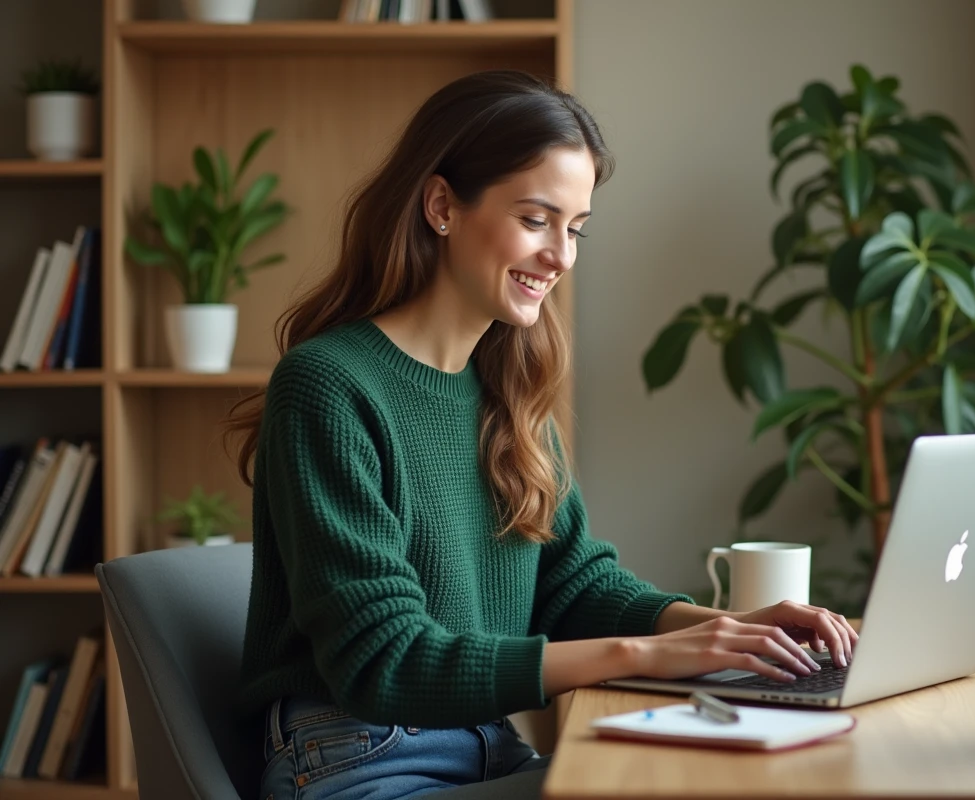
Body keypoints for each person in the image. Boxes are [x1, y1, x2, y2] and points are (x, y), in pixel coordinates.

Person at [222, 69, 858, 800]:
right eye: (536, 220)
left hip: (488, 744)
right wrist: (651, 654)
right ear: (441, 207)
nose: (562, 256)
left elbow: (572, 584)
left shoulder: (507, 389)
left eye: (576, 228)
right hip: (362, 757)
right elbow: (383, 661)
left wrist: (737, 630)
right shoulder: (329, 386)